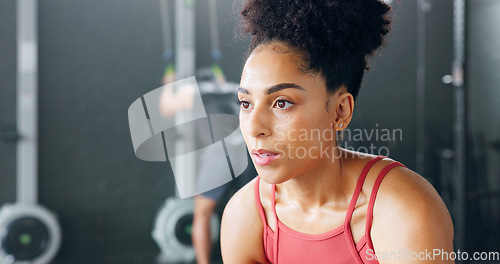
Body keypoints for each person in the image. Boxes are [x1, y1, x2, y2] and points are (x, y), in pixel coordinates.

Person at [220, 0, 455, 263]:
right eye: (246, 103)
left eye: (282, 103)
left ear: (340, 111)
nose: (254, 128)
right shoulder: (245, 214)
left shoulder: (402, 208)